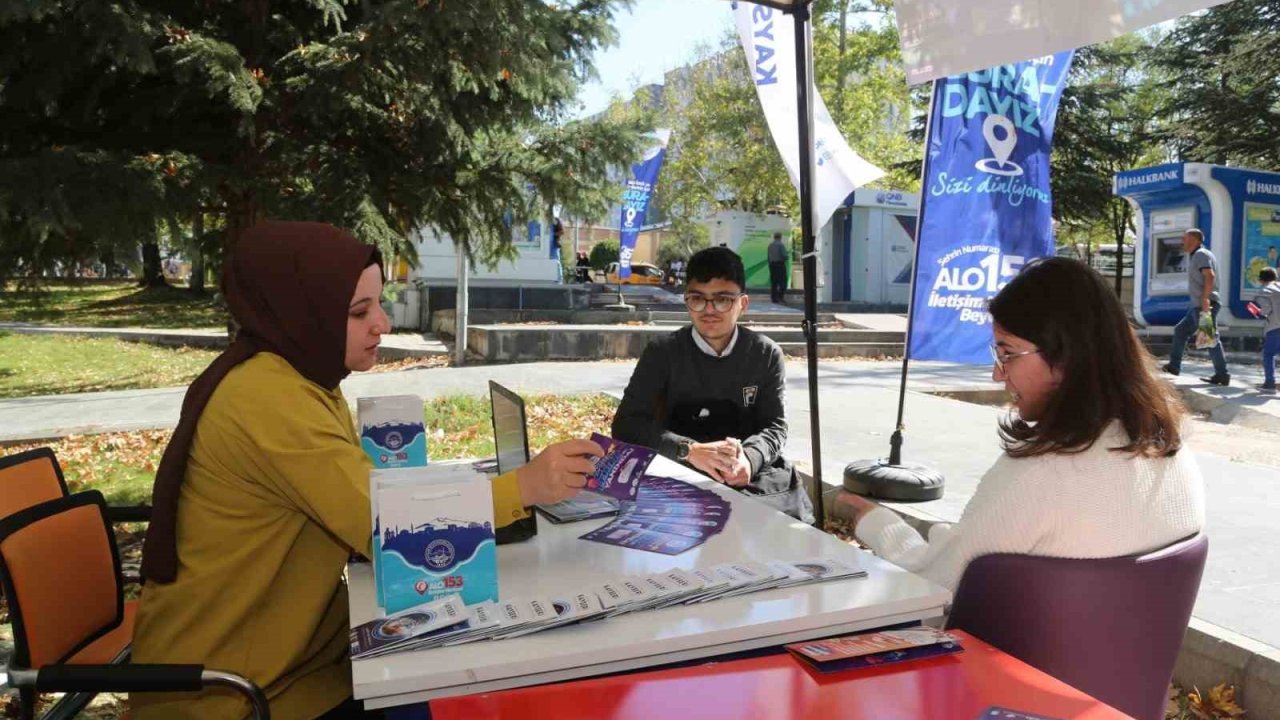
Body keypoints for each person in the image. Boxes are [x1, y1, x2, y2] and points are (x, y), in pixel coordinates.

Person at [131, 222, 602, 720]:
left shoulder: (297, 374)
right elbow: (386, 527)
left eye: (380, 302)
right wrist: (524, 486)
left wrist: (474, 487)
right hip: (242, 693)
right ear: (300, 312)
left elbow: (359, 489)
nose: (383, 323)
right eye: (359, 311)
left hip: (300, 657)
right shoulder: (267, 399)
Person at [839, 257, 1204, 593]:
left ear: (1067, 355)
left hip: (1002, 660)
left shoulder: (1047, 470)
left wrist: (878, 523)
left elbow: (936, 584)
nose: (998, 373)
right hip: (1127, 663)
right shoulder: (1174, 453)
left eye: (1008, 353)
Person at [612, 247, 814, 522]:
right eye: (698, 299)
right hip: (680, 474)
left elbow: (774, 426)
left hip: (750, 477)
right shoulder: (663, 353)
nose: (709, 310)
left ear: (743, 304)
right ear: (686, 301)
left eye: (722, 300)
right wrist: (688, 450)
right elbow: (627, 424)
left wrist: (750, 459)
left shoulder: (764, 354)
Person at [1162, 228, 1230, 385]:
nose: (1182, 242)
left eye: (1184, 239)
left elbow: (1209, 275)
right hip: (1198, 305)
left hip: (1204, 304)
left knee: (1211, 339)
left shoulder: (1201, 255)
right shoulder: (1198, 255)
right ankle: (1174, 366)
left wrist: (1205, 299)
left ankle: (1222, 374)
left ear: (1194, 240)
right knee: (1181, 330)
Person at [1253, 266, 1280, 394]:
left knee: (1269, 354)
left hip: (1275, 326)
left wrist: (1256, 312)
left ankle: (1270, 384)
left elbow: (1265, 310)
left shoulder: (1264, 291)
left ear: (1261, 280)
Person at [767, 231, 788, 304]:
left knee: (774, 282)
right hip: (780, 265)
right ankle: (780, 297)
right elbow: (784, 256)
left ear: (774, 237)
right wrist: (787, 256)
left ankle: (774, 298)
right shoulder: (781, 245)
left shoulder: (770, 245)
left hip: (772, 265)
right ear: (780, 237)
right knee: (783, 281)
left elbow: (768, 257)